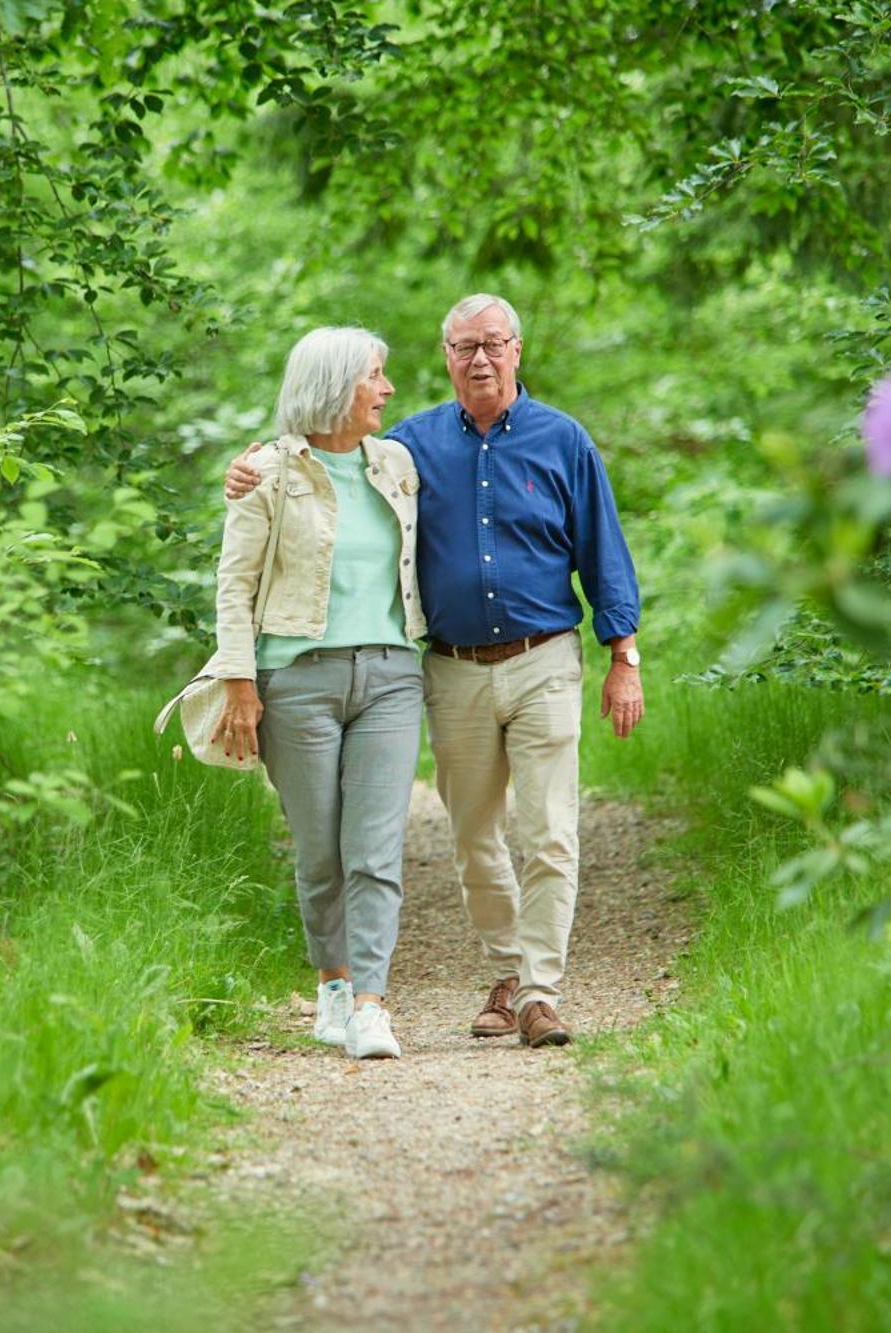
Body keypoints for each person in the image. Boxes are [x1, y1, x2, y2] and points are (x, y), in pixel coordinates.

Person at [226, 294, 642, 1048]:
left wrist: (624, 656)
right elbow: (319, 445)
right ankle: (507, 971)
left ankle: (539, 991)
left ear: (518, 349)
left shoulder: (563, 440)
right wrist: (251, 461)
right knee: (474, 838)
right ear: (446, 357)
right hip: (450, 669)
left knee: (549, 831)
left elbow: (604, 551)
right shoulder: (408, 448)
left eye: (492, 344)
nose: (479, 359)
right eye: (463, 347)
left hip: (545, 658)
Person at [209, 326, 426, 1060]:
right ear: (337, 386)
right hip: (295, 680)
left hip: (392, 675)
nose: (388, 390)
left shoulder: (396, 463)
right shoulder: (266, 473)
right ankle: (331, 986)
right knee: (321, 849)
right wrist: (238, 679)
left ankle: (372, 1002)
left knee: (375, 846)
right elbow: (234, 587)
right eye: (375, 376)